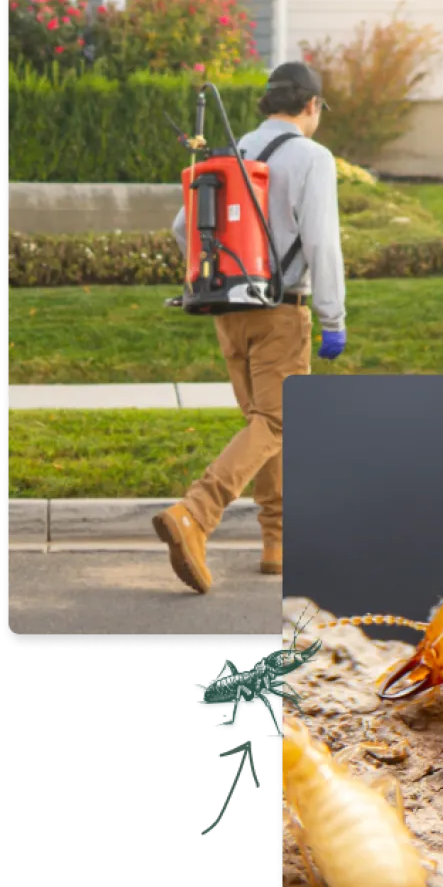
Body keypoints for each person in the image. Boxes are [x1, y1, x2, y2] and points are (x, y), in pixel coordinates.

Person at [153, 61, 347, 594]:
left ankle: (276, 545)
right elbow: (323, 243)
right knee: (279, 425)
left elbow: (180, 226)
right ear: (311, 106)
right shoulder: (313, 158)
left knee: (265, 427)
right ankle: (195, 513)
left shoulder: (234, 151)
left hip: (229, 311)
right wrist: (333, 319)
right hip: (281, 312)